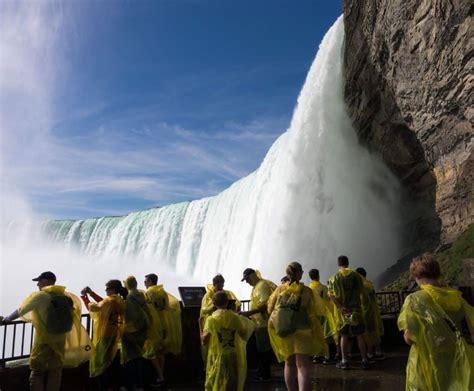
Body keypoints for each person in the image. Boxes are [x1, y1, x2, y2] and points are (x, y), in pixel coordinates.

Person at [0, 271, 90, 391]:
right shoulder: (64, 296)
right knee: (55, 371)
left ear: (46, 281)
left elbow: (21, 310)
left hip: (43, 341)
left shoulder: (41, 296)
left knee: (37, 372)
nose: (37, 284)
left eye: (39, 281)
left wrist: (6, 319)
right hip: (60, 339)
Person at [398, 254, 474, 390]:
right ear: (438, 273)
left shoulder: (414, 300)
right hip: (457, 358)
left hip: (430, 359)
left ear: (416, 276)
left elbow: (409, 338)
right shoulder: (456, 297)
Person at [267, 261, 327, 391]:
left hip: (284, 331)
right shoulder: (306, 291)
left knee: (289, 363)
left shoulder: (279, 289)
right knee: (303, 365)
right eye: (301, 272)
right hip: (302, 331)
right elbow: (316, 311)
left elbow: (269, 308)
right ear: (299, 273)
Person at [200, 291, 255, 391]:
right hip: (233, 355)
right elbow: (243, 335)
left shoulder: (211, 320)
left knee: (216, 382)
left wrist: (200, 326)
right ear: (227, 302)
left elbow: (204, 341)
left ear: (214, 303)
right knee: (232, 383)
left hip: (217, 356)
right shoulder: (235, 318)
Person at [81, 280, 126, 390]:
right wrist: (92, 293)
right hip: (114, 333)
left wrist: (84, 297)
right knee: (110, 360)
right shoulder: (118, 301)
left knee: (101, 362)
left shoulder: (109, 302)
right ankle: (116, 385)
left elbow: (93, 308)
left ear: (113, 289)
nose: (105, 290)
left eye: (107, 288)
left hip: (104, 334)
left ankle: (104, 386)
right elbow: (104, 303)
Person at [328, 255, 369, 370]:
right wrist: (364, 306)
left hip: (343, 312)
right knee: (359, 335)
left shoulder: (334, 278)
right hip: (356, 310)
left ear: (338, 264)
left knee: (344, 336)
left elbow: (331, 295)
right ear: (348, 263)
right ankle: (365, 360)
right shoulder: (356, 276)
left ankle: (344, 361)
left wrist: (340, 307)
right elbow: (363, 292)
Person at [143, 273, 182, 386]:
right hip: (165, 323)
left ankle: (160, 376)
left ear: (150, 281)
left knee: (151, 351)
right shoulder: (163, 292)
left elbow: (146, 309)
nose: (144, 283)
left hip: (154, 325)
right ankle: (162, 375)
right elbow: (167, 308)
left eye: (145, 281)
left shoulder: (148, 293)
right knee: (161, 351)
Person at [239, 268, 277, 381]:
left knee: (264, 349)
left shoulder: (261, 286)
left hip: (264, 323)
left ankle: (265, 374)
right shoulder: (257, 286)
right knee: (261, 349)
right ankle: (262, 371)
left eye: (247, 279)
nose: (246, 282)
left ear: (253, 276)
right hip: (259, 323)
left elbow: (265, 305)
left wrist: (248, 313)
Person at [200, 274, 241, 366]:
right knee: (213, 345)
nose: (221, 288)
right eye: (219, 286)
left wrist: (233, 306)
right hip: (214, 325)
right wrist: (214, 305)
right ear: (214, 284)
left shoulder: (227, 293)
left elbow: (238, 303)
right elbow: (204, 309)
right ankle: (211, 365)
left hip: (226, 322)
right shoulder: (208, 296)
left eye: (222, 285)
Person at [122, 275, 152, 391]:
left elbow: (130, 316)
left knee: (130, 359)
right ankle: (141, 384)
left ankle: (133, 385)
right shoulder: (141, 295)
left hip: (132, 331)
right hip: (143, 329)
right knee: (139, 356)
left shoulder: (129, 298)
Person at [308, 268, 338, 364]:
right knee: (327, 335)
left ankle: (317, 356)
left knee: (316, 335)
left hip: (313, 315)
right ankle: (328, 356)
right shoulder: (324, 288)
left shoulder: (308, 289)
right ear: (318, 275)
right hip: (324, 315)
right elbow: (329, 300)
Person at [355, 267, 384, 360]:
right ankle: (378, 351)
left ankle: (370, 352)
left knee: (367, 332)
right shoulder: (370, 284)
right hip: (374, 310)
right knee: (376, 330)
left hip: (365, 311)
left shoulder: (361, 285)